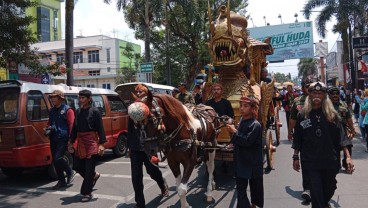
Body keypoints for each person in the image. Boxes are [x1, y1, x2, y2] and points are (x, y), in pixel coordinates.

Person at [292, 82, 354, 208]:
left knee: (330, 187)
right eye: (314, 92)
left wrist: (347, 157)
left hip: (330, 160)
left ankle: (324, 203)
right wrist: (295, 156)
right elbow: (297, 137)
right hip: (311, 161)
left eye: (320, 93)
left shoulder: (332, 115)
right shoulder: (302, 115)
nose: (317, 95)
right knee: (316, 193)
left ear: (325, 95)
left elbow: (342, 137)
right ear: (309, 94)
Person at [127, 84, 169, 208]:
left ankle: (162, 184)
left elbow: (159, 124)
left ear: (146, 93)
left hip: (150, 145)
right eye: (137, 92)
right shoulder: (133, 108)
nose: (139, 93)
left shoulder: (152, 106)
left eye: (141, 91)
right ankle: (140, 203)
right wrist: (130, 147)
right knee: (136, 177)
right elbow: (129, 129)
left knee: (152, 171)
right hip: (135, 147)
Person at [69, 89, 106, 202]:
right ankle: (93, 176)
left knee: (89, 168)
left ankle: (87, 192)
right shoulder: (78, 111)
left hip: (91, 141)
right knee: (76, 165)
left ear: (89, 99)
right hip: (80, 141)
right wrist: (71, 141)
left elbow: (100, 128)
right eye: (79, 98)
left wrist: (101, 144)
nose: (80, 100)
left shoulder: (95, 111)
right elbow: (75, 128)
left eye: (83, 98)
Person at [227, 96, 263, 208]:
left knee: (256, 187)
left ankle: (254, 204)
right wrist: (232, 141)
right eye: (241, 105)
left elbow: (248, 141)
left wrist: (235, 132)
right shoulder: (242, 120)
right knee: (241, 190)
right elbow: (238, 139)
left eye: (245, 106)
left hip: (252, 162)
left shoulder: (255, 125)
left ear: (252, 109)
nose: (241, 108)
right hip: (241, 161)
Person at [287, 78, 312, 203]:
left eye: (311, 86)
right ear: (302, 87)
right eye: (307, 86)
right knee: (306, 163)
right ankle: (307, 189)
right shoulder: (298, 101)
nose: (309, 88)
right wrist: (290, 131)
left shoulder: (322, 100)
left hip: (320, 138)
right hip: (302, 135)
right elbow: (293, 118)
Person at [47, 90, 75, 190]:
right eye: (52, 97)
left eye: (55, 97)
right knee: (55, 160)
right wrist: (47, 129)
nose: (53, 99)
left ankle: (70, 171)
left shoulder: (68, 110)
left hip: (63, 138)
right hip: (53, 138)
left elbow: (71, 125)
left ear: (60, 99)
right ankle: (62, 181)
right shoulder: (52, 110)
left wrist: (71, 140)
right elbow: (49, 123)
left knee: (58, 158)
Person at [328, 86, 356, 171]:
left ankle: (346, 164)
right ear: (329, 95)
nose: (335, 95)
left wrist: (352, 129)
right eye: (333, 93)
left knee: (348, 146)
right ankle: (336, 165)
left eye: (337, 93)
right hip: (331, 129)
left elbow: (348, 118)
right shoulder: (326, 105)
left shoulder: (343, 104)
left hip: (343, 128)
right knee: (335, 148)